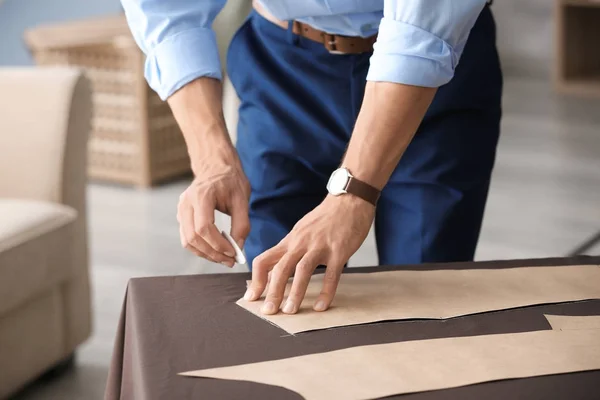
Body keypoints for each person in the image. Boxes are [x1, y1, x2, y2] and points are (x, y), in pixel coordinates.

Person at [121, 0, 502, 316]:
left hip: (434, 65)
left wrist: (353, 193)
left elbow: (424, 31)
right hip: (281, 67)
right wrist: (212, 163)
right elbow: (167, 10)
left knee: (426, 292)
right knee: (279, 295)